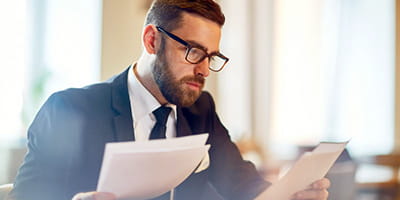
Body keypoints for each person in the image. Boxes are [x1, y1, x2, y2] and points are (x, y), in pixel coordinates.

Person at [9, 0, 330, 200]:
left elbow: (243, 186)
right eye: (193, 51)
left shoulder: (201, 110)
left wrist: (288, 194)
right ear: (152, 40)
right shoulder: (71, 110)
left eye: (212, 56)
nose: (204, 69)